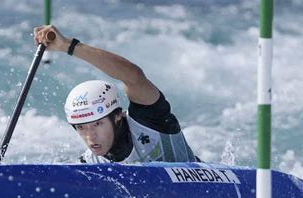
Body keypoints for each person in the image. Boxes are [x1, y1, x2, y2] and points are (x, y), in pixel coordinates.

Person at [34, 25, 198, 164]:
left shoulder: (151, 121)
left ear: (117, 116)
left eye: (98, 124)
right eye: (81, 127)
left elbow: (133, 77)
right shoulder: (89, 165)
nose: (90, 137)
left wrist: (68, 46)